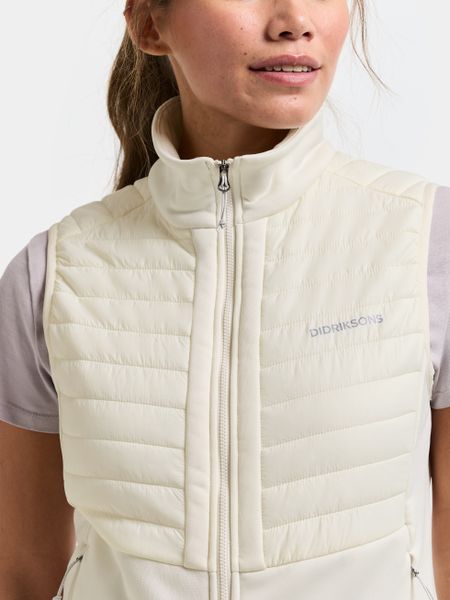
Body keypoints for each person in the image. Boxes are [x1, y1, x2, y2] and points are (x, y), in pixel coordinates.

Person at [0, 1, 449, 599]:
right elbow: (23, 575)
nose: (295, 19)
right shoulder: (53, 275)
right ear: (150, 24)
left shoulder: (425, 244)